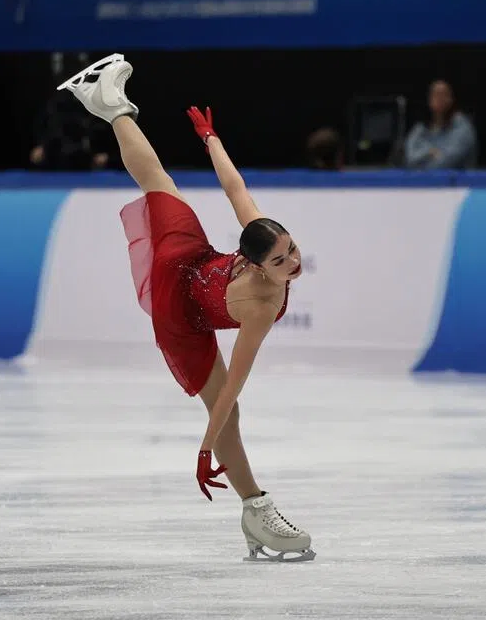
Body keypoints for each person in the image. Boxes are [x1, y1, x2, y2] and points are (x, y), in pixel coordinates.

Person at [58, 53, 315, 563]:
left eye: (292, 250)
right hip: (182, 314)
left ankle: (109, 105)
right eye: (282, 259)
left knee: (162, 186)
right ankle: (255, 510)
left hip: (193, 262)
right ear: (256, 264)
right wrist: (205, 445)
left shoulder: (260, 236)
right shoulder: (263, 303)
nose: (293, 262)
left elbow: (235, 186)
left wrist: (210, 139)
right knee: (228, 410)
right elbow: (234, 384)